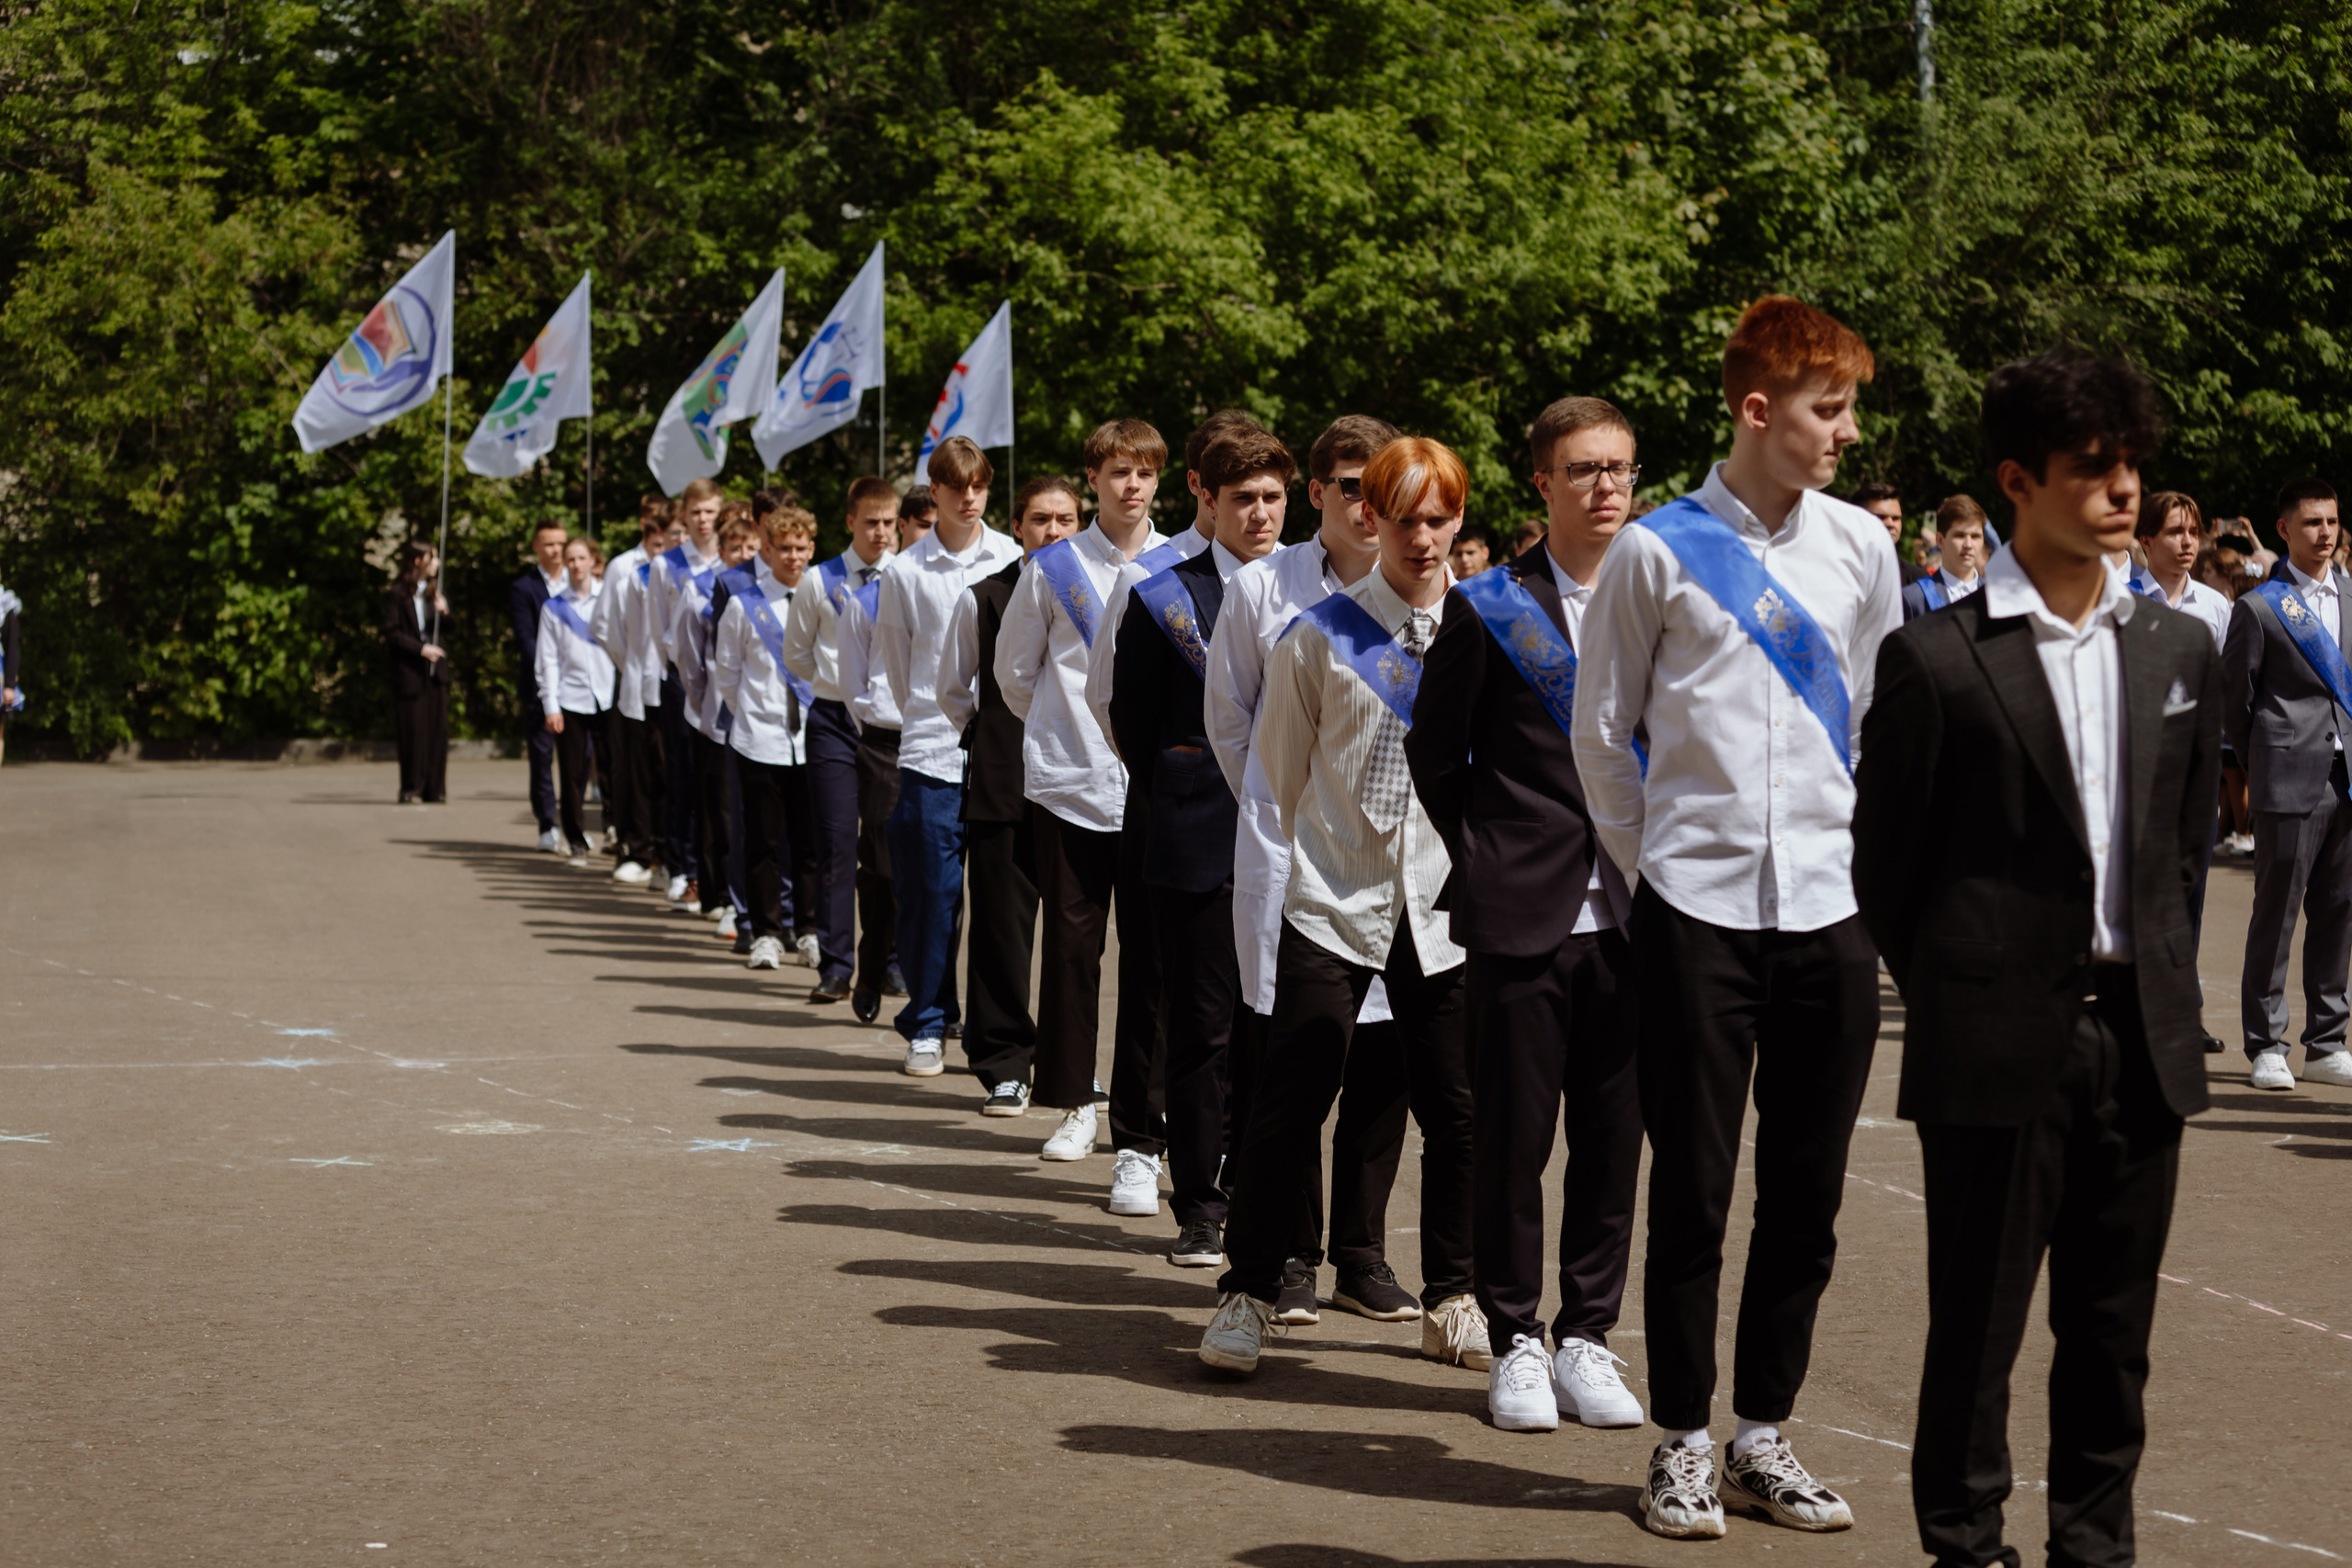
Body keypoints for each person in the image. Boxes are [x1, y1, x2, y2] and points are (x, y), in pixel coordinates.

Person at [1854, 350, 2217, 1568]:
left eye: (2131, 465)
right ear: (2019, 481)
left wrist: (2160, 967)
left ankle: (2093, 1546)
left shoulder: (2176, 648)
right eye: (2091, 469)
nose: (2122, 491)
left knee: (2114, 1333)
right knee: (1979, 1327)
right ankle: (1965, 1545)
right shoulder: (1937, 659)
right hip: (1994, 1038)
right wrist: (1974, 981)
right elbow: (1885, 870)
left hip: (2144, 1038)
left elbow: (2181, 843)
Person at [1572, 295, 1897, 1540]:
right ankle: (1683, 1440)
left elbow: (1874, 723)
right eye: (1830, 408)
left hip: (1828, 910)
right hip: (1694, 912)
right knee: (1697, 1189)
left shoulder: (1861, 553)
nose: (1848, 432)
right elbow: (1601, 733)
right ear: (1758, 411)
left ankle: (1766, 1431)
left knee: (1807, 1189)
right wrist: (1657, 867)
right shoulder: (1656, 550)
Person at [1197, 435, 1484, 1377]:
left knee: (1456, 1107)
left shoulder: (1487, 636)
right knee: (1290, 1099)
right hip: (1333, 895)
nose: (1422, 538)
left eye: (1439, 519)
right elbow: (1274, 778)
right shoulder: (1318, 634)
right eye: (1404, 518)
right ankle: (1248, 1289)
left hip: (1442, 907)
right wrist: (1301, 875)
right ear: (1374, 519)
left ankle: (1456, 1294)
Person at [1407, 396, 1645, 1435]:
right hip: (1523, 914)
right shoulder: (1488, 604)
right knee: (1511, 1138)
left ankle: (1588, 1332)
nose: (1606, 486)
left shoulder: (1663, 600)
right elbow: (1433, 753)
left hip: (1639, 916)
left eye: (1621, 469)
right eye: (1585, 469)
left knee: (1612, 1138)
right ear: (1542, 481)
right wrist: (1493, 850)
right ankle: (1515, 1337)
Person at [1204, 412, 1420, 1323]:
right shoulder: (1265, 589)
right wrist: (1295, 820)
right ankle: (1288, 1254)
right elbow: (1232, 724)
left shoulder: (1424, 593)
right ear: (1319, 496)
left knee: (1385, 1063)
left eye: (1385, 491)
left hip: (1406, 870)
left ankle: (1361, 1254)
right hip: (1299, 857)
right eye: (1348, 489)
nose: (1368, 508)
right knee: (1292, 1063)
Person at [1108, 425, 1284, 1264]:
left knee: (1272, 1029)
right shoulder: (1160, 597)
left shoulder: (1315, 590)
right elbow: (1130, 722)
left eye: (1271, 497)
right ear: (1206, 501)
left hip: (1292, 841)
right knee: (1201, 1029)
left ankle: (1263, 1196)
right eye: (1241, 497)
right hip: (1197, 835)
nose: (1258, 513)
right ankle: (1201, 1207)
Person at [994, 419, 1172, 1175]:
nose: (1131, 486)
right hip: (1071, 786)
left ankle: (1148, 1121)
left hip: (1162, 792)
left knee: (1157, 961)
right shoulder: (1054, 565)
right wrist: (1066, 731)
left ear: (1162, 481)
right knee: (1071, 952)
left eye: (1144, 473)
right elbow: (1015, 671)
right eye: (1116, 472)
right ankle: (1074, 1102)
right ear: (1092, 479)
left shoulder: (1183, 563)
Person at [876, 436, 1022, 1074]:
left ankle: (989, 1028)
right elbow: (903, 667)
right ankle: (927, 1019)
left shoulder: (1015, 558)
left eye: (979, 485)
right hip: (932, 752)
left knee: (999, 904)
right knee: (932, 894)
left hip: (998, 758)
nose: (968, 497)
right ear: (932, 492)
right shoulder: (905, 571)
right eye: (955, 486)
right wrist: (934, 724)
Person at [939, 477, 1082, 1111]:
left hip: (1082, 787)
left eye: (1065, 519)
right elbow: (952, 691)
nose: (1053, 531)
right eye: (1040, 519)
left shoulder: (1105, 593)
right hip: (1003, 785)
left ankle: (1070, 1066)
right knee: (1002, 932)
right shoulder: (984, 597)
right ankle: (1003, 1060)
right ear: (1018, 526)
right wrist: (993, 736)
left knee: (1077, 940)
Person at [2222, 476, 2352, 1093]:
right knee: (2276, 914)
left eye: (2330, 521)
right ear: (2284, 530)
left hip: (2346, 775)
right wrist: (2268, 755)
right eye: (2311, 523)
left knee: (2339, 911)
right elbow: (2236, 703)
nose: (2323, 533)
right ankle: (2266, 1042)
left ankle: (2327, 1039)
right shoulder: (2259, 606)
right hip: (2287, 774)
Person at [784, 477, 901, 1007]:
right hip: (833, 721)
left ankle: (889, 960)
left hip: (889, 728)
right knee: (837, 844)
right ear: (850, 522)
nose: (880, 533)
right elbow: (797, 655)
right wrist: (837, 689)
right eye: (870, 522)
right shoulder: (819, 580)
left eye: (889, 522)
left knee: (888, 850)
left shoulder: (906, 575)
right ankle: (836, 965)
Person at [717, 504, 821, 970]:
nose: (793, 557)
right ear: (768, 549)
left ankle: (809, 929)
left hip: (814, 740)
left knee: (811, 843)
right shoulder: (744, 605)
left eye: (801, 548)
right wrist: (753, 719)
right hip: (760, 738)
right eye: (784, 549)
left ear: (812, 549)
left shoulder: (825, 599)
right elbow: (727, 674)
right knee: (762, 842)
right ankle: (764, 932)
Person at [673, 507, 762, 939]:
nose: (744, 554)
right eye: (736, 548)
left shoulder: (771, 590)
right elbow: (688, 657)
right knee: (721, 811)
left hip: (762, 718)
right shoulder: (701, 590)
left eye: (751, 547)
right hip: (716, 713)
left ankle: (747, 900)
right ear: (721, 552)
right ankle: (725, 897)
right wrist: (702, 703)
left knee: (751, 814)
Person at [652, 478, 726, 910]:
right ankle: (682, 868)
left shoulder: (733, 560)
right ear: (684, 515)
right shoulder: (666, 566)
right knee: (682, 776)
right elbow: (660, 629)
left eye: (710, 512)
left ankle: (711, 873)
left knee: (716, 783)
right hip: (681, 680)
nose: (702, 520)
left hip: (724, 681)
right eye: (695, 512)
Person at [591, 500, 673, 886]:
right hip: (638, 687)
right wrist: (633, 665)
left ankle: (667, 854)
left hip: (675, 689)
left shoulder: (680, 572)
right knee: (635, 775)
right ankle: (637, 850)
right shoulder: (625, 570)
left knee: (669, 776)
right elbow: (605, 627)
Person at [537, 536, 616, 864]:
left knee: (614, 768)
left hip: (610, 695)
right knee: (573, 773)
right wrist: (550, 705)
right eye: (570, 559)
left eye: (581, 558)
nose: (575, 565)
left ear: (594, 561)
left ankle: (616, 831)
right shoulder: (553, 606)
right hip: (571, 697)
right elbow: (548, 660)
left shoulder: (608, 600)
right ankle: (575, 838)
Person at [512, 519, 570, 852]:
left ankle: (575, 826)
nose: (556, 550)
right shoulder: (524, 588)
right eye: (549, 544)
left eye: (561, 543)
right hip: (539, 686)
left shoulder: (580, 582)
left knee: (579, 760)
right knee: (542, 758)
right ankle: (548, 825)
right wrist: (552, 673)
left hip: (578, 688)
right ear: (536, 546)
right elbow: (527, 639)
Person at [383, 540, 452, 805]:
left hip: (436, 673)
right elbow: (392, 633)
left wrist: (444, 612)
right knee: (412, 731)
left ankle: (435, 788)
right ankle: (411, 787)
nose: (437, 563)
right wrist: (420, 648)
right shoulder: (397, 593)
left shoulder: (436, 592)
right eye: (432, 558)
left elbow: (450, 628)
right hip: (410, 672)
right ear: (417, 561)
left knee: (437, 730)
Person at [1901, 496, 1989, 620]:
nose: (1968, 545)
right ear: (1940, 540)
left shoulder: (1996, 596)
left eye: (1975, 536)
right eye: (1960, 535)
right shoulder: (1914, 598)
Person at [1853, 480, 1924, 584]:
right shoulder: (1840, 570)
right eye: (1880, 517)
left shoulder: (1919, 580)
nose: (1890, 524)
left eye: (1896, 518)